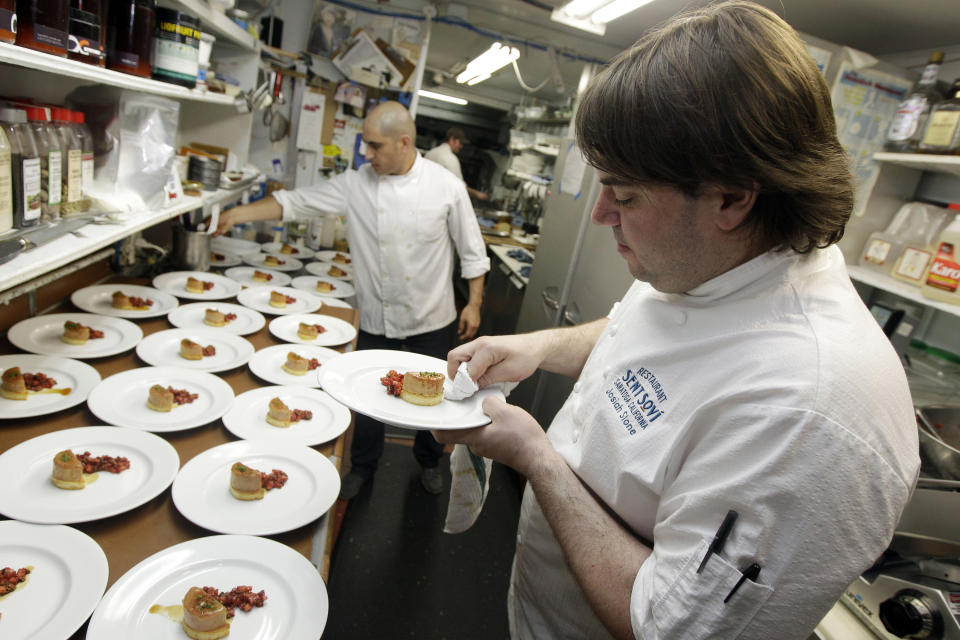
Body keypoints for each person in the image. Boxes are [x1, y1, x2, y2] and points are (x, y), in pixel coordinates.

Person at [432, 3, 920, 639]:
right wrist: (544, 346)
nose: (602, 213)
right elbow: (639, 337)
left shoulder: (808, 412)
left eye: (626, 195)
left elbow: (664, 624)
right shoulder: (709, 265)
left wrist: (537, 456)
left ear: (731, 197)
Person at [215, 101, 490, 499]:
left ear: (404, 142)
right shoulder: (356, 184)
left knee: (439, 398)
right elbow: (295, 203)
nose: (367, 154)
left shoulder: (445, 186)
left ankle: (429, 461)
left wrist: (475, 302)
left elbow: (472, 250)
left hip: (432, 316)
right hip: (376, 316)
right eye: (365, 145)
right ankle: (363, 467)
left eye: (375, 146)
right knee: (368, 400)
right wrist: (237, 215)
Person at [425, 127, 489, 202]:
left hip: (425, 198)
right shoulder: (450, 158)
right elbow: (460, 187)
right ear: (452, 140)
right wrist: (478, 194)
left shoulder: (430, 153)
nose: (461, 146)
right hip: (437, 201)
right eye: (460, 143)